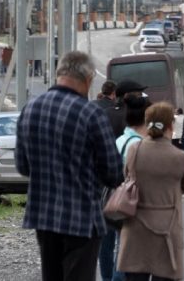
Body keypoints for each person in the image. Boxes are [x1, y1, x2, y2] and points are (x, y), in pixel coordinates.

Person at [16, 52, 123, 281]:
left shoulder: (30, 109)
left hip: (43, 217)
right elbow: (113, 172)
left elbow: (23, 166)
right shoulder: (91, 114)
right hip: (82, 219)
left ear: (59, 74)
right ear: (88, 78)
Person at [116, 102, 184, 281]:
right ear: (170, 125)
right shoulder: (180, 157)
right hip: (167, 227)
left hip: (136, 225)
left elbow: (127, 176)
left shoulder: (134, 150)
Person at [104, 94, 150, 281]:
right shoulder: (138, 145)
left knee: (121, 249)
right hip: (133, 204)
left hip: (118, 200)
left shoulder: (121, 139)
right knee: (128, 257)